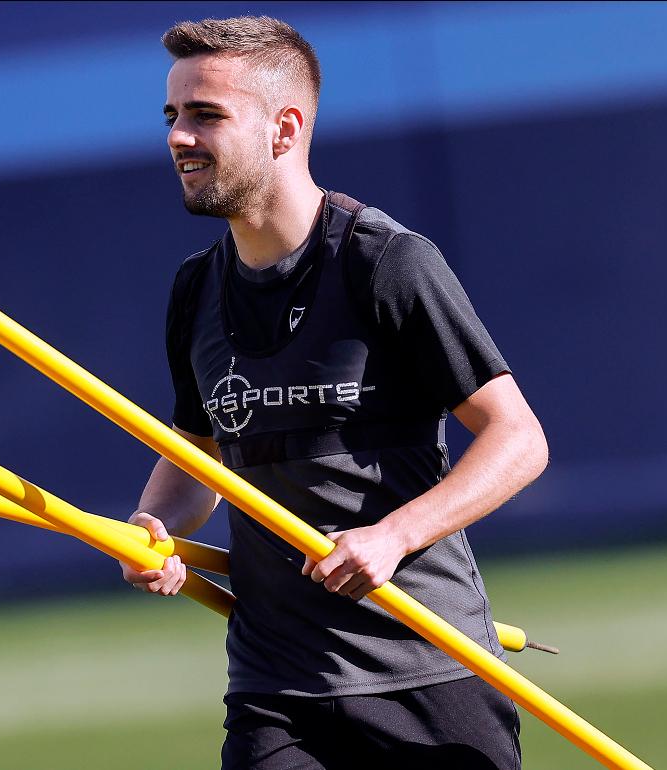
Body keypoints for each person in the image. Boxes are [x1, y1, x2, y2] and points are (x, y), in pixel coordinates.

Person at [120, 15, 549, 770]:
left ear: (284, 128)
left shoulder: (385, 262)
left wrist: (392, 537)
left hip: (428, 670)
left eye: (205, 115)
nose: (177, 137)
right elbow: (199, 455)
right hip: (275, 686)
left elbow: (519, 439)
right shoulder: (195, 289)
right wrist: (151, 529)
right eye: (172, 116)